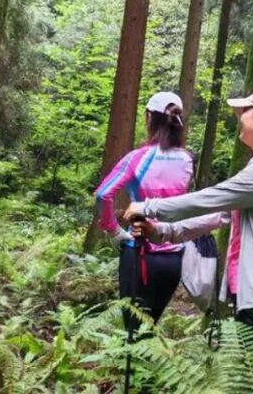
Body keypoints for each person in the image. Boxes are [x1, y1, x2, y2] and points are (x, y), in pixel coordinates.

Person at [125, 88, 253, 394]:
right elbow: (216, 215)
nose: (239, 118)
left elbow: (209, 199)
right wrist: (160, 231)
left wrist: (147, 207)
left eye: (245, 111)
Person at [93, 91, 193, 332]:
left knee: (133, 330)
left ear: (149, 118)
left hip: (140, 253)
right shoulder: (188, 159)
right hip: (174, 258)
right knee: (149, 328)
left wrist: (115, 231)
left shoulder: (137, 158)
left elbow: (103, 194)